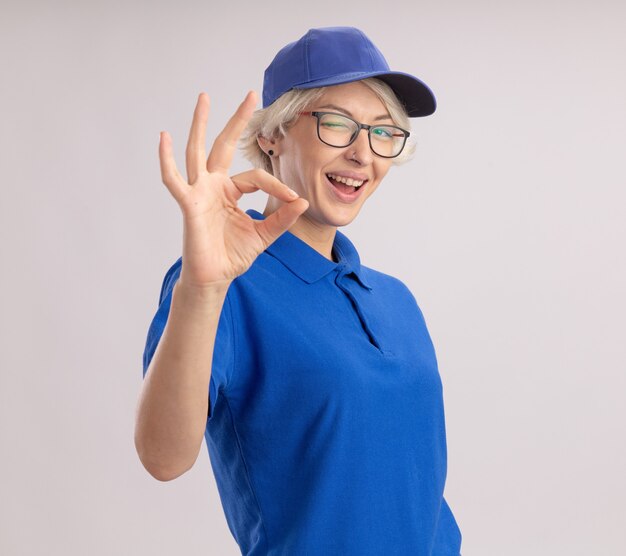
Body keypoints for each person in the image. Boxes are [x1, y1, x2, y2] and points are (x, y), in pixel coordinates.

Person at [135, 26, 463, 555]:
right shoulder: (225, 285)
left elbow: (416, 492)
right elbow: (163, 457)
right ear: (272, 135)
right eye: (337, 124)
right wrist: (202, 288)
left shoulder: (396, 299)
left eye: (383, 132)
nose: (363, 154)